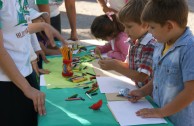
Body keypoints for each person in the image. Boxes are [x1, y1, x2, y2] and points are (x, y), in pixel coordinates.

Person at [0, 0, 67, 125]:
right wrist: (26, 88)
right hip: (7, 83)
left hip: (24, 76)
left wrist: (43, 26)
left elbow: (16, 30)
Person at [128, 0, 194, 126]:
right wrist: (143, 91)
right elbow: (160, 76)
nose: (150, 32)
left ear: (169, 26)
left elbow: (191, 92)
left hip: (179, 121)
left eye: (152, 27)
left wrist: (161, 112)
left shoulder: (190, 49)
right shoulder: (160, 43)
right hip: (160, 116)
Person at [98, 0, 156, 88]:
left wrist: (115, 67)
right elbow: (128, 65)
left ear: (145, 25)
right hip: (137, 89)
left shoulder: (149, 45)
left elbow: (142, 76)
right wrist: (113, 63)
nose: (125, 31)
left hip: (149, 96)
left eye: (129, 26)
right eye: (124, 26)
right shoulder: (133, 41)